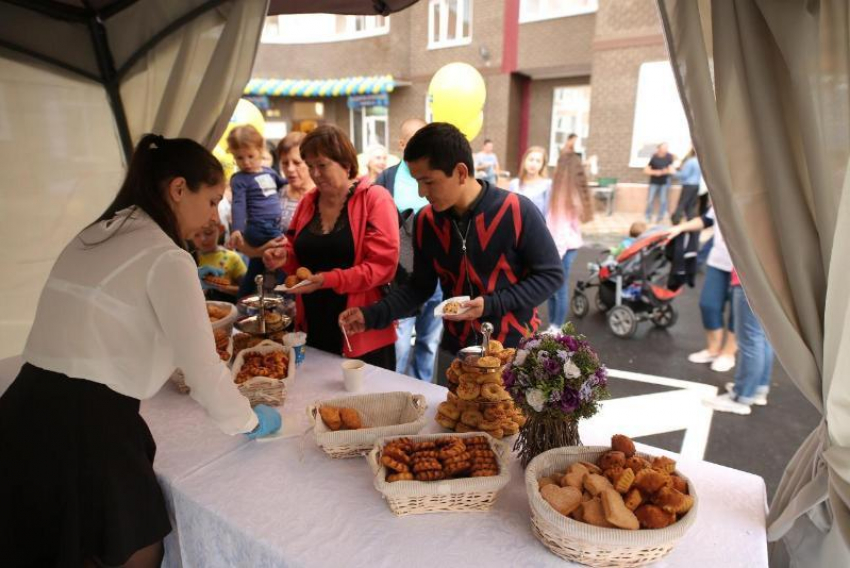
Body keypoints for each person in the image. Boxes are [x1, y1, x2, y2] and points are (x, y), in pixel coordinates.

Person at [0, 134, 281, 568]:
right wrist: (245, 419)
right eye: (211, 201)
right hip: (88, 423)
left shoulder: (98, 231)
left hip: (24, 407)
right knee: (136, 545)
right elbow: (203, 368)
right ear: (178, 189)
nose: (212, 217)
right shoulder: (166, 256)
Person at [339, 123, 564, 386]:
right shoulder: (426, 222)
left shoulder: (516, 210)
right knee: (456, 424)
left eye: (428, 181)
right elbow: (418, 288)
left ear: (460, 172)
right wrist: (370, 315)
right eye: (417, 182)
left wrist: (490, 304)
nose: (422, 192)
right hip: (457, 351)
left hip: (514, 351)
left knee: (509, 425)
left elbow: (551, 276)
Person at [263, 125, 400, 369]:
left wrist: (327, 280)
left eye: (322, 165)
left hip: (361, 328)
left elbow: (382, 267)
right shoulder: (308, 202)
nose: (315, 173)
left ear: (346, 164)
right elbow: (298, 256)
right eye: (310, 165)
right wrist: (283, 258)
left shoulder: (375, 198)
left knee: (365, 404)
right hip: (314, 323)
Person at [376, 118, 443, 382]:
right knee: (400, 342)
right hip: (400, 279)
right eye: (415, 141)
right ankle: (393, 390)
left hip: (436, 275)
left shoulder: (438, 176)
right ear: (402, 144)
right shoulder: (387, 178)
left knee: (428, 342)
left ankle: (422, 391)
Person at [667, 206, 737, 372]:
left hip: (743, 268)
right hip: (718, 262)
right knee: (708, 305)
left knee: (738, 313)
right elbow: (706, 220)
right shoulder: (721, 195)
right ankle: (713, 350)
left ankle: (728, 353)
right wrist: (680, 227)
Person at [225, 124, 286, 298]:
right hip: (259, 226)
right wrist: (237, 229)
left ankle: (243, 296)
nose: (246, 162)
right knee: (283, 252)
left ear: (261, 150)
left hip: (270, 224)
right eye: (240, 158)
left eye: (250, 156)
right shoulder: (240, 179)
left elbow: (282, 183)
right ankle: (285, 292)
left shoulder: (269, 172)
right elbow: (238, 203)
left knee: (256, 266)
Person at [703, 270, 774, 414]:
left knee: (750, 339)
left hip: (750, 279)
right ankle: (758, 389)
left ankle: (742, 396)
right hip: (769, 282)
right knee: (763, 337)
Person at [544, 140, 587, 332]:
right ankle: (554, 326)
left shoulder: (564, 194)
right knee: (554, 290)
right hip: (565, 247)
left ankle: (556, 327)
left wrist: (555, 255)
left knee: (558, 289)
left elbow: (560, 229)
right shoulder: (569, 192)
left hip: (560, 249)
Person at [192, 219, 247, 302]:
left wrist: (222, 287)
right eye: (196, 235)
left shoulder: (232, 257)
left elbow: (247, 290)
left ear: (220, 229)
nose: (203, 239)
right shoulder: (190, 259)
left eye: (208, 233)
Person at [551, 133, 594, 224]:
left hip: (571, 183)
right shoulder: (566, 153)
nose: (575, 142)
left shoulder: (571, 153)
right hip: (567, 185)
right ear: (570, 139)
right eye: (574, 140)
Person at [508, 145, 551, 216]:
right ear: (524, 161)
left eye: (538, 161)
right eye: (531, 160)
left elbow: (548, 212)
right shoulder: (514, 184)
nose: (533, 164)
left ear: (542, 165)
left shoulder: (547, 185)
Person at [643, 142, 675, 223]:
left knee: (663, 200)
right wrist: (655, 172)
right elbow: (646, 170)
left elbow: (671, 170)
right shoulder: (654, 157)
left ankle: (660, 218)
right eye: (664, 148)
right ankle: (648, 216)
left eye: (666, 148)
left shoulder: (669, 157)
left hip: (664, 183)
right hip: (654, 182)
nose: (666, 149)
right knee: (650, 200)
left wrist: (664, 172)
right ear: (659, 149)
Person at [672, 147, 702, 224]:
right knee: (691, 204)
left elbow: (684, 175)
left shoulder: (690, 162)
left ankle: (676, 220)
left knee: (682, 203)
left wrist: (673, 172)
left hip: (688, 185)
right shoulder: (700, 162)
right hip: (696, 185)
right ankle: (690, 220)